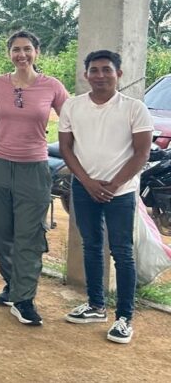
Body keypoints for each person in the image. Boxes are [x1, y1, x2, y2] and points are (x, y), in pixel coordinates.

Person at [59, 49, 153, 344]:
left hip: (121, 192)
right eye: (94, 70)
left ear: (118, 74)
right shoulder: (73, 106)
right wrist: (86, 182)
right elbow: (66, 148)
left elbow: (142, 152)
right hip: (84, 189)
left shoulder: (134, 108)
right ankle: (96, 305)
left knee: (122, 253)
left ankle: (124, 318)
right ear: (86, 75)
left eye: (106, 70)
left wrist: (113, 185)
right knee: (91, 246)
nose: (100, 75)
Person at [0, 30, 68, 326]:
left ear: (36, 52)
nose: (21, 54)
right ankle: (13, 285)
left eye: (27, 49)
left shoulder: (52, 86)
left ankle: (24, 299)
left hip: (33, 166)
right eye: (16, 49)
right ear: (9, 53)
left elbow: (72, 120)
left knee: (29, 235)